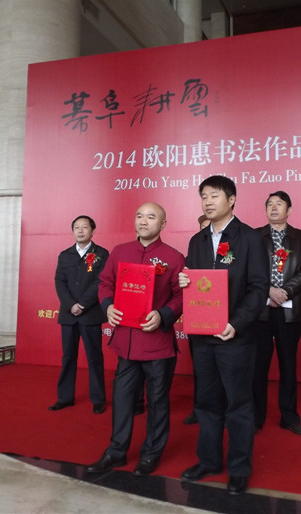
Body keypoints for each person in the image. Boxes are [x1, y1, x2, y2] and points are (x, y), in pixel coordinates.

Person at [179, 175, 269, 496]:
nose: (207, 201)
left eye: (214, 195)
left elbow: (259, 288)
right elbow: (194, 282)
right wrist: (184, 282)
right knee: (206, 402)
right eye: (204, 196)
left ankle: (239, 469)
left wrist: (237, 323)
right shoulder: (197, 241)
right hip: (202, 337)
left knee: (238, 404)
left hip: (235, 338)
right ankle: (209, 461)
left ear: (231, 200)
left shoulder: (250, 238)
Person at [87, 202, 185, 476]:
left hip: (157, 344)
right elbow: (105, 283)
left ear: (162, 224)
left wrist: (164, 315)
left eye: (151, 217)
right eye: (139, 215)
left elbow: (181, 296)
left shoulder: (174, 257)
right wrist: (107, 306)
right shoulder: (120, 252)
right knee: (122, 399)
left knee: (157, 401)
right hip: (127, 343)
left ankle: (151, 454)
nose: (143, 221)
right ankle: (116, 451)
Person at [253, 191, 301, 435]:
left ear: (289, 210)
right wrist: (268, 290)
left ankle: (289, 417)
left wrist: (286, 291)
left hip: (290, 310)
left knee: (288, 365)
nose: (274, 208)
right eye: (270, 204)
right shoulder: (255, 236)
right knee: (258, 366)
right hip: (260, 310)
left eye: (279, 204)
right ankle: (255, 416)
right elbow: (249, 269)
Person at [50, 216, 109, 414]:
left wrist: (82, 304)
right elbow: (59, 282)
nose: (80, 231)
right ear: (73, 231)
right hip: (68, 315)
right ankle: (65, 397)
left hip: (90, 314)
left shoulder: (101, 254)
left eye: (85, 227)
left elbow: (100, 282)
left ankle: (98, 399)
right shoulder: (64, 255)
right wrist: (70, 305)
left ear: (93, 231)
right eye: (77, 227)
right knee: (68, 357)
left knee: (94, 358)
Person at [182, 214, 212, 426]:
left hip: (224, 319)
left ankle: (223, 409)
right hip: (198, 317)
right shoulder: (192, 253)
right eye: (203, 228)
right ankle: (198, 408)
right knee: (200, 368)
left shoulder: (229, 253)